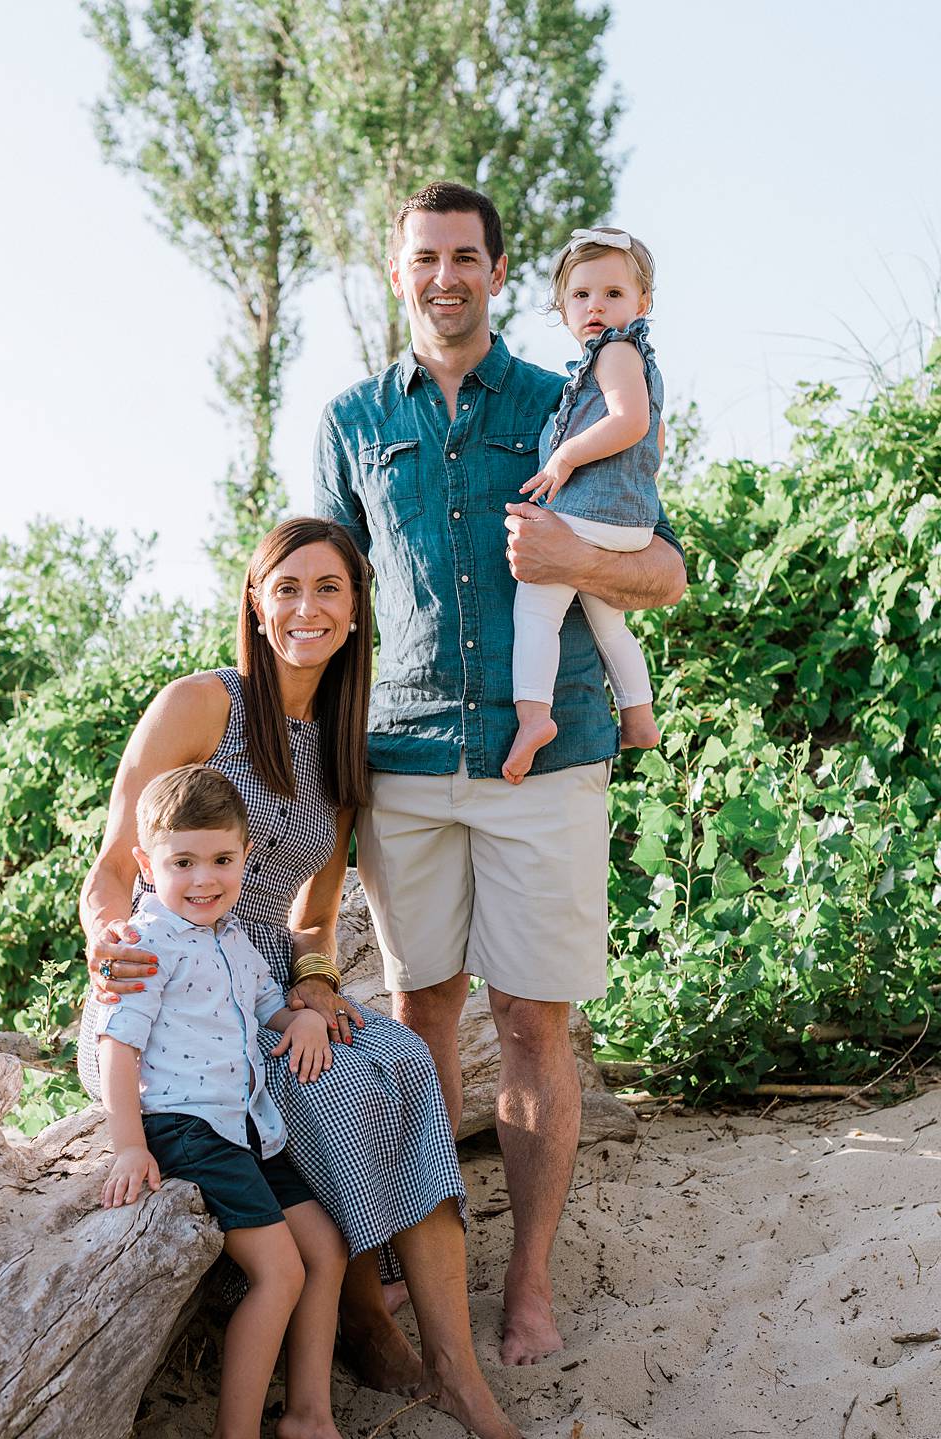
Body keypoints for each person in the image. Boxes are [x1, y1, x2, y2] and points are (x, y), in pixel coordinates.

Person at [313, 181, 687, 1365]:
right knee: (419, 1017)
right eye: (424, 257)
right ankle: (436, 1266)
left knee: (533, 1025)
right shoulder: (352, 420)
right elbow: (323, 601)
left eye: (466, 256)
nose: (445, 277)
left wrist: (576, 553)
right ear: (397, 271)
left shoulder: (568, 395)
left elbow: (665, 571)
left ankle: (526, 1284)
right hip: (406, 760)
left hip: (551, 755)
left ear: (498, 269)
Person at [78, 515, 519, 1439]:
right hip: (171, 1006)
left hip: (266, 986)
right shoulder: (202, 706)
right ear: (255, 599)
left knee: (398, 1060)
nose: (306, 608)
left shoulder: (342, 745)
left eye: (329, 589)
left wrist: (315, 992)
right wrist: (108, 939)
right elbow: (113, 864)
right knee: (329, 1093)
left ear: (357, 612)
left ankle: (454, 1361)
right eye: (287, 587)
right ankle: (360, 1320)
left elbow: (312, 918)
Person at [90, 763, 348, 1439]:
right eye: (182, 863)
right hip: (185, 1128)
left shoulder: (231, 936)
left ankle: (307, 1414)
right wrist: (127, 1147)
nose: (204, 879)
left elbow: (266, 1003)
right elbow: (119, 1046)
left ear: (246, 857)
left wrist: (301, 1021)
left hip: (246, 1124)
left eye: (222, 860)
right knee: (280, 1273)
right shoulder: (145, 945)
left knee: (325, 1247)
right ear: (146, 864)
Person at [506, 225, 664, 781]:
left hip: (589, 516)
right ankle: (639, 717)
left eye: (613, 295)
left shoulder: (616, 352)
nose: (595, 306)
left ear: (642, 303)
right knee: (609, 625)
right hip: (626, 521)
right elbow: (655, 440)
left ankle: (533, 717)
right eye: (581, 295)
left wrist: (566, 457)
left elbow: (631, 421)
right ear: (562, 305)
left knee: (535, 613)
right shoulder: (636, 359)